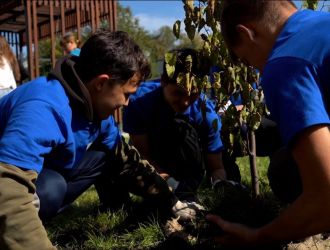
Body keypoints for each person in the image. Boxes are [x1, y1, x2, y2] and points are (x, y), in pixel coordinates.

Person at [0, 30, 203, 250]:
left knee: (107, 154)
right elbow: (7, 188)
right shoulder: (43, 107)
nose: (127, 103)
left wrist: (171, 202)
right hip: (9, 179)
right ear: (101, 83)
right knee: (50, 189)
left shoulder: (95, 107)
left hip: (39, 171)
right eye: (126, 94)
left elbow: (127, 162)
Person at [206, 0, 330, 246]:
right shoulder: (321, 23)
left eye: (247, 61)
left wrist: (259, 236)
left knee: (284, 172)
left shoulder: (284, 62)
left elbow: (326, 195)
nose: (256, 70)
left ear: (246, 32)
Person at [123, 48, 241, 203]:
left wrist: (219, 183)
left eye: (193, 94)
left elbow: (216, 167)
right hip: (155, 160)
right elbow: (143, 155)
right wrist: (170, 184)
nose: (185, 102)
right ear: (164, 81)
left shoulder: (206, 113)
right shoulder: (138, 102)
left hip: (191, 163)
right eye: (178, 93)